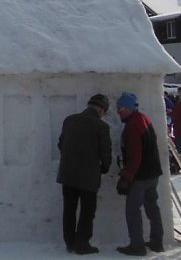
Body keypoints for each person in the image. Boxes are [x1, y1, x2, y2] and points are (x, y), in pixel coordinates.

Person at [56, 94, 112, 255]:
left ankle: (70, 242)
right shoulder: (101, 127)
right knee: (87, 211)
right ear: (101, 109)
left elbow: (61, 144)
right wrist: (104, 167)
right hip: (89, 176)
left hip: (67, 173)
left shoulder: (69, 120)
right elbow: (105, 153)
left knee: (69, 209)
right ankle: (83, 243)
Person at [115, 92, 164, 256]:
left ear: (129, 108)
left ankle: (137, 245)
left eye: (120, 108)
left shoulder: (133, 126)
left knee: (133, 210)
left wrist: (126, 178)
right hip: (153, 172)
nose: (118, 111)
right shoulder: (144, 119)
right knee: (152, 206)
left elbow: (134, 156)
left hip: (140, 176)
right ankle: (157, 241)